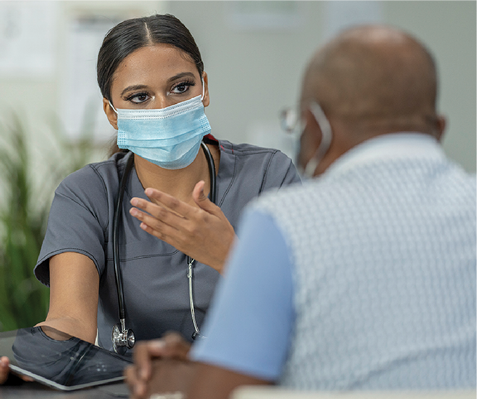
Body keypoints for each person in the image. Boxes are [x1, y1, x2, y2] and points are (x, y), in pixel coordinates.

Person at [124, 24, 477, 399]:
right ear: (438, 129)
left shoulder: (284, 222)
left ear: (314, 128)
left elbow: (220, 394)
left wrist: (186, 377)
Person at [0, 14, 300, 384]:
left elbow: (313, 302)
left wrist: (231, 257)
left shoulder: (268, 176)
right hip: (136, 389)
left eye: (180, 88)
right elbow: (70, 320)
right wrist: (27, 359)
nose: (162, 107)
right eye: (139, 97)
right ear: (111, 113)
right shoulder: (86, 194)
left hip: (253, 387)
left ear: (204, 88)